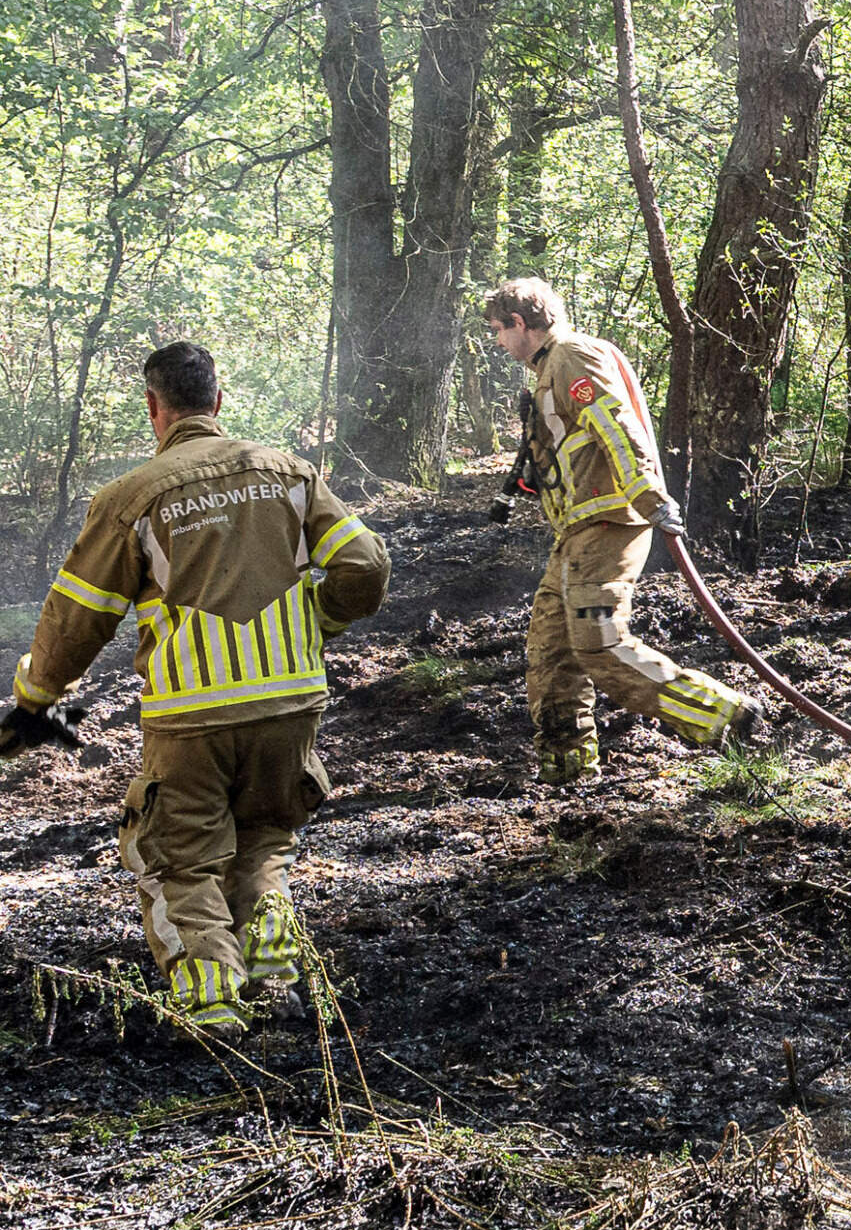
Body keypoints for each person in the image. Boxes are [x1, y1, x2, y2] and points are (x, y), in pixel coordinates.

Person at [3, 343, 389, 1031]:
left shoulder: (132, 497)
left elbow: (75, 620)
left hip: (192, 714)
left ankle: (210, 996)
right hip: (293, 701)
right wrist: (318, 622)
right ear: (218, 399)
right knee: (263, 833)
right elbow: (364, 563)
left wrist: (36, 697)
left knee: (175, 853)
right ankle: (269, 942)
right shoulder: (290, 472)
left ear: (155, 407)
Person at [481, 278, 764, 782]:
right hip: (577, 530)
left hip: (608, 521)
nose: (499, 343)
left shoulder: (571, 356)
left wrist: (651, 498)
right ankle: (567, 770)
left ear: (520, 323)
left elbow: (616, 426)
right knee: (551, 648)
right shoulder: (549, 366)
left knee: (598, 642)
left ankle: (728, 717)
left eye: (500, 331)